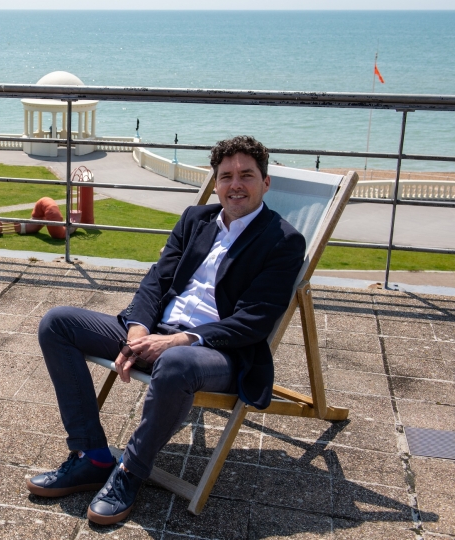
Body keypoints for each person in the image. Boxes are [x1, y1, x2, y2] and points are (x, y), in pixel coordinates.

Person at [27, 136, 306, 525]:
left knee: (174, 363)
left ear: (265, 182)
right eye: (226, 176)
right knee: (57, 323)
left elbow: (254, 320)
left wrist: (177, 340)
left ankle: (130, 472)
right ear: (216, 181)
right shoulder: (196, 219)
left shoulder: (283, 241)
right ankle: (90, 456)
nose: (235, 184)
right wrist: (138, 333)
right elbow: (155, 282)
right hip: (156, 331)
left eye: (247, 175)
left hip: (216, 352)